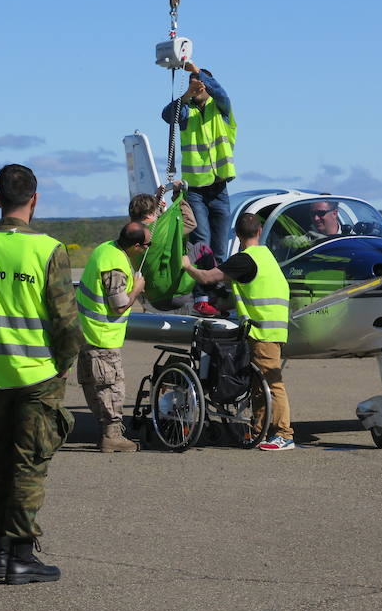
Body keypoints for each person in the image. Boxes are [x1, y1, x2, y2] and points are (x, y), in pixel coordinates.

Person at [0, 164, 82, 585]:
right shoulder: (48, 249)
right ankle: (22, 555)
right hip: (38, 374)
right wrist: (63, 364)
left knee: (0, 464)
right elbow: (65, 321)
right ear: (35, 199)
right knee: (29, 466)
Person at [182, 213, 294, 451]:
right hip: (274, 328)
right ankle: (260, 430)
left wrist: (187, 266)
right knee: (259, 383)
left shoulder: (244, 260)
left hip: (263, 330)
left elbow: (208, 277)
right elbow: (249, 294)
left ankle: (284, 433)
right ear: (260, 231)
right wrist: (221, 307)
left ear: (237, 234)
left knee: (272, 384)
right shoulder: (266, 257)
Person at [162, 61, 236, 317]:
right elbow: (167, 116)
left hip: (219, 188)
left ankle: (219, 296)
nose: (201, 85)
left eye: (204, 83)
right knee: (201, 242)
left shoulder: (222, 109)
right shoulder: (187, 112)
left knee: (219, 248)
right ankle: (201, 297)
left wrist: (196, 71)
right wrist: (187, 93)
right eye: (198, 83)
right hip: (196, 190)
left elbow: (222, 93)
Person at [76, 222, 151, 453]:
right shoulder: (116, 264)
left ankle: (107, 432)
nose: (149, 247)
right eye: (148, 245)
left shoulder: (105, 248)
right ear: (136, 246)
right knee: (111, 386)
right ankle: (112, 436)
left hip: (87, 331)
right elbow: (118, 305)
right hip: (102, 336)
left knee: (96, 385)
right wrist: (137, 287)